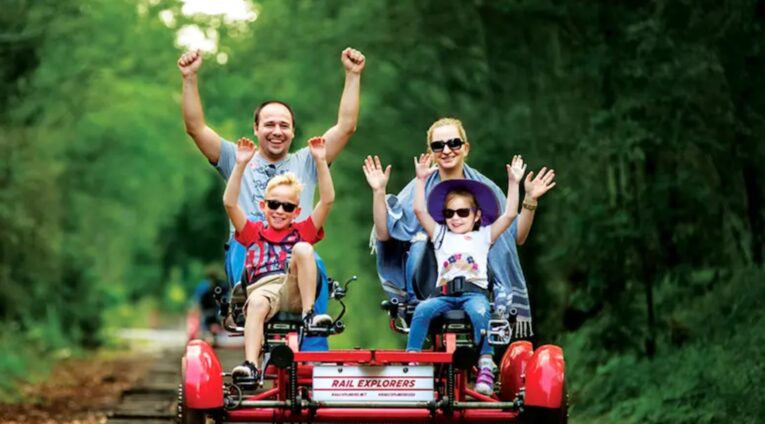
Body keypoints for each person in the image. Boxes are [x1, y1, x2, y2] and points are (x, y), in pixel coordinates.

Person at [178, 47, 365, 351]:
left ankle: (313, 352)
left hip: (295, 250)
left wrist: (353, 75)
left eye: (283, 125)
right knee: (247, 249)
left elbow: (346, 126)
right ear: (256, 128)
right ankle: (252, 332)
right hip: (249, 244)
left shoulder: (308, 161)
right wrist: (189, 78)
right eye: (269, 124)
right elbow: (195, 128)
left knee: (313, 261)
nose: (276, 131)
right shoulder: (236, 157)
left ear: (292, 132)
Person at [363, 117, 556, 338]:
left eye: (454, 143)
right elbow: (385, 232)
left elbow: (514, 238)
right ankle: (418, 313)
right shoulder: (420, 187)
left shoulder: (485, 189)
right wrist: (379, 192)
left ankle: (484, 359)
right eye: (438, 145)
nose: (446, 150)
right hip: (430, 285)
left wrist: (530, 199)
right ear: (431, 152)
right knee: (418, 242)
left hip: (476, 283)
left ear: (465, 148)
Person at [403, 153, 524, 394]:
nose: (456, 218)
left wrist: (514, 183)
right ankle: (412, 363)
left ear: (476, 215)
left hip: (474, 294)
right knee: (422, 310)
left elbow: (510, 215)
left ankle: (486, 363)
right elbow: (419, 210)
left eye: (462, 213)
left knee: (481, 313)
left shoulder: (484, 236)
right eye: (450, 213)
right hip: (444, 294)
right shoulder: (440, 235)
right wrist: (420, 180)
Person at [223, 136, 334, 383]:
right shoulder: (253, 232)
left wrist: (321, 161)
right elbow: (229, 203)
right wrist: (240, 165)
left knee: (304, 249)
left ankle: (309, 315)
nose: (279, 211)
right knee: (258, 304)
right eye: (274, 204)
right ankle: (251, 365)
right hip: (263, 291)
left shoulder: (302, 231)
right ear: (263, 206)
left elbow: (327, 201)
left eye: (287, 207)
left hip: (294, 290)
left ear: (296, 211)